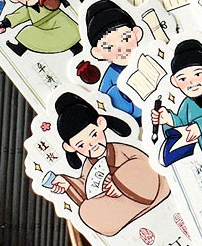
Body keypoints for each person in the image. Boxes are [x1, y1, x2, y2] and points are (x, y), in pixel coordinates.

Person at [49, 93, 170, 237]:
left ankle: (120, 214)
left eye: (94, 135)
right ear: (70, 148)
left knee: (90, 209)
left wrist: (119, 183)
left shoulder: (119, 149)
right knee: (87, 210)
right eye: (81, 145)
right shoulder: (89, 164)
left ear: (101, 124)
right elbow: (86, 187)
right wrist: (68, 184)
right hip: (122, 204)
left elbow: (142, 164)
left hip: (150, 191)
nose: (92, 145)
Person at [85, 0, 144, 123]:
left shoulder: (146, 58)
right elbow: (114, 109)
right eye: (108, 47)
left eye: (125, 38)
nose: (120, 48)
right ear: (98, 53)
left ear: (136, 34)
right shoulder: (112, 79)